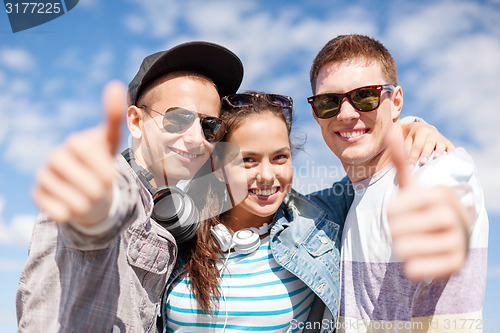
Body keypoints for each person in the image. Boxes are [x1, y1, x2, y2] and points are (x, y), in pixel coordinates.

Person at [160, 92, 455, 332]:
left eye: (279, 157)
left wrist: (412, 127)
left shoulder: (318, 220)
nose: (267, 175)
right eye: (248, 160)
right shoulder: (176, 230)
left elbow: (375, 168)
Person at [16, 41, 244, 333]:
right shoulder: (111, 186)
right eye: (177, 119)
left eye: (209, 125)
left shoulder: (167, 211)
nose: (196, 138)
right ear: (136, 122)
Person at [308, 34, 488, 332]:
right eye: (329, 102)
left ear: (396, 101)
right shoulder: (345, 201)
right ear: (316, 114)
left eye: (365, 96)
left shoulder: (441, 165)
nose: (346, 113)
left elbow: (445, 199)